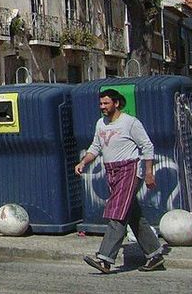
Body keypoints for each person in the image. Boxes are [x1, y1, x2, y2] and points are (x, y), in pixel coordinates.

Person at [74, 88, 165, 273]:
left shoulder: (130, 122)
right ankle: (155, 255)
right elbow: (96, 146)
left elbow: (147, 146)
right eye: (101, 104)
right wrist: (83, 162)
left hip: (129, 170)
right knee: (132, 214)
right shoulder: (101, 123)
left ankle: (105, 259)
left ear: (116, 103)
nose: (102, 107)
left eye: (106, 103)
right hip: (111, 172)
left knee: (117, 213)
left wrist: (148, 172)